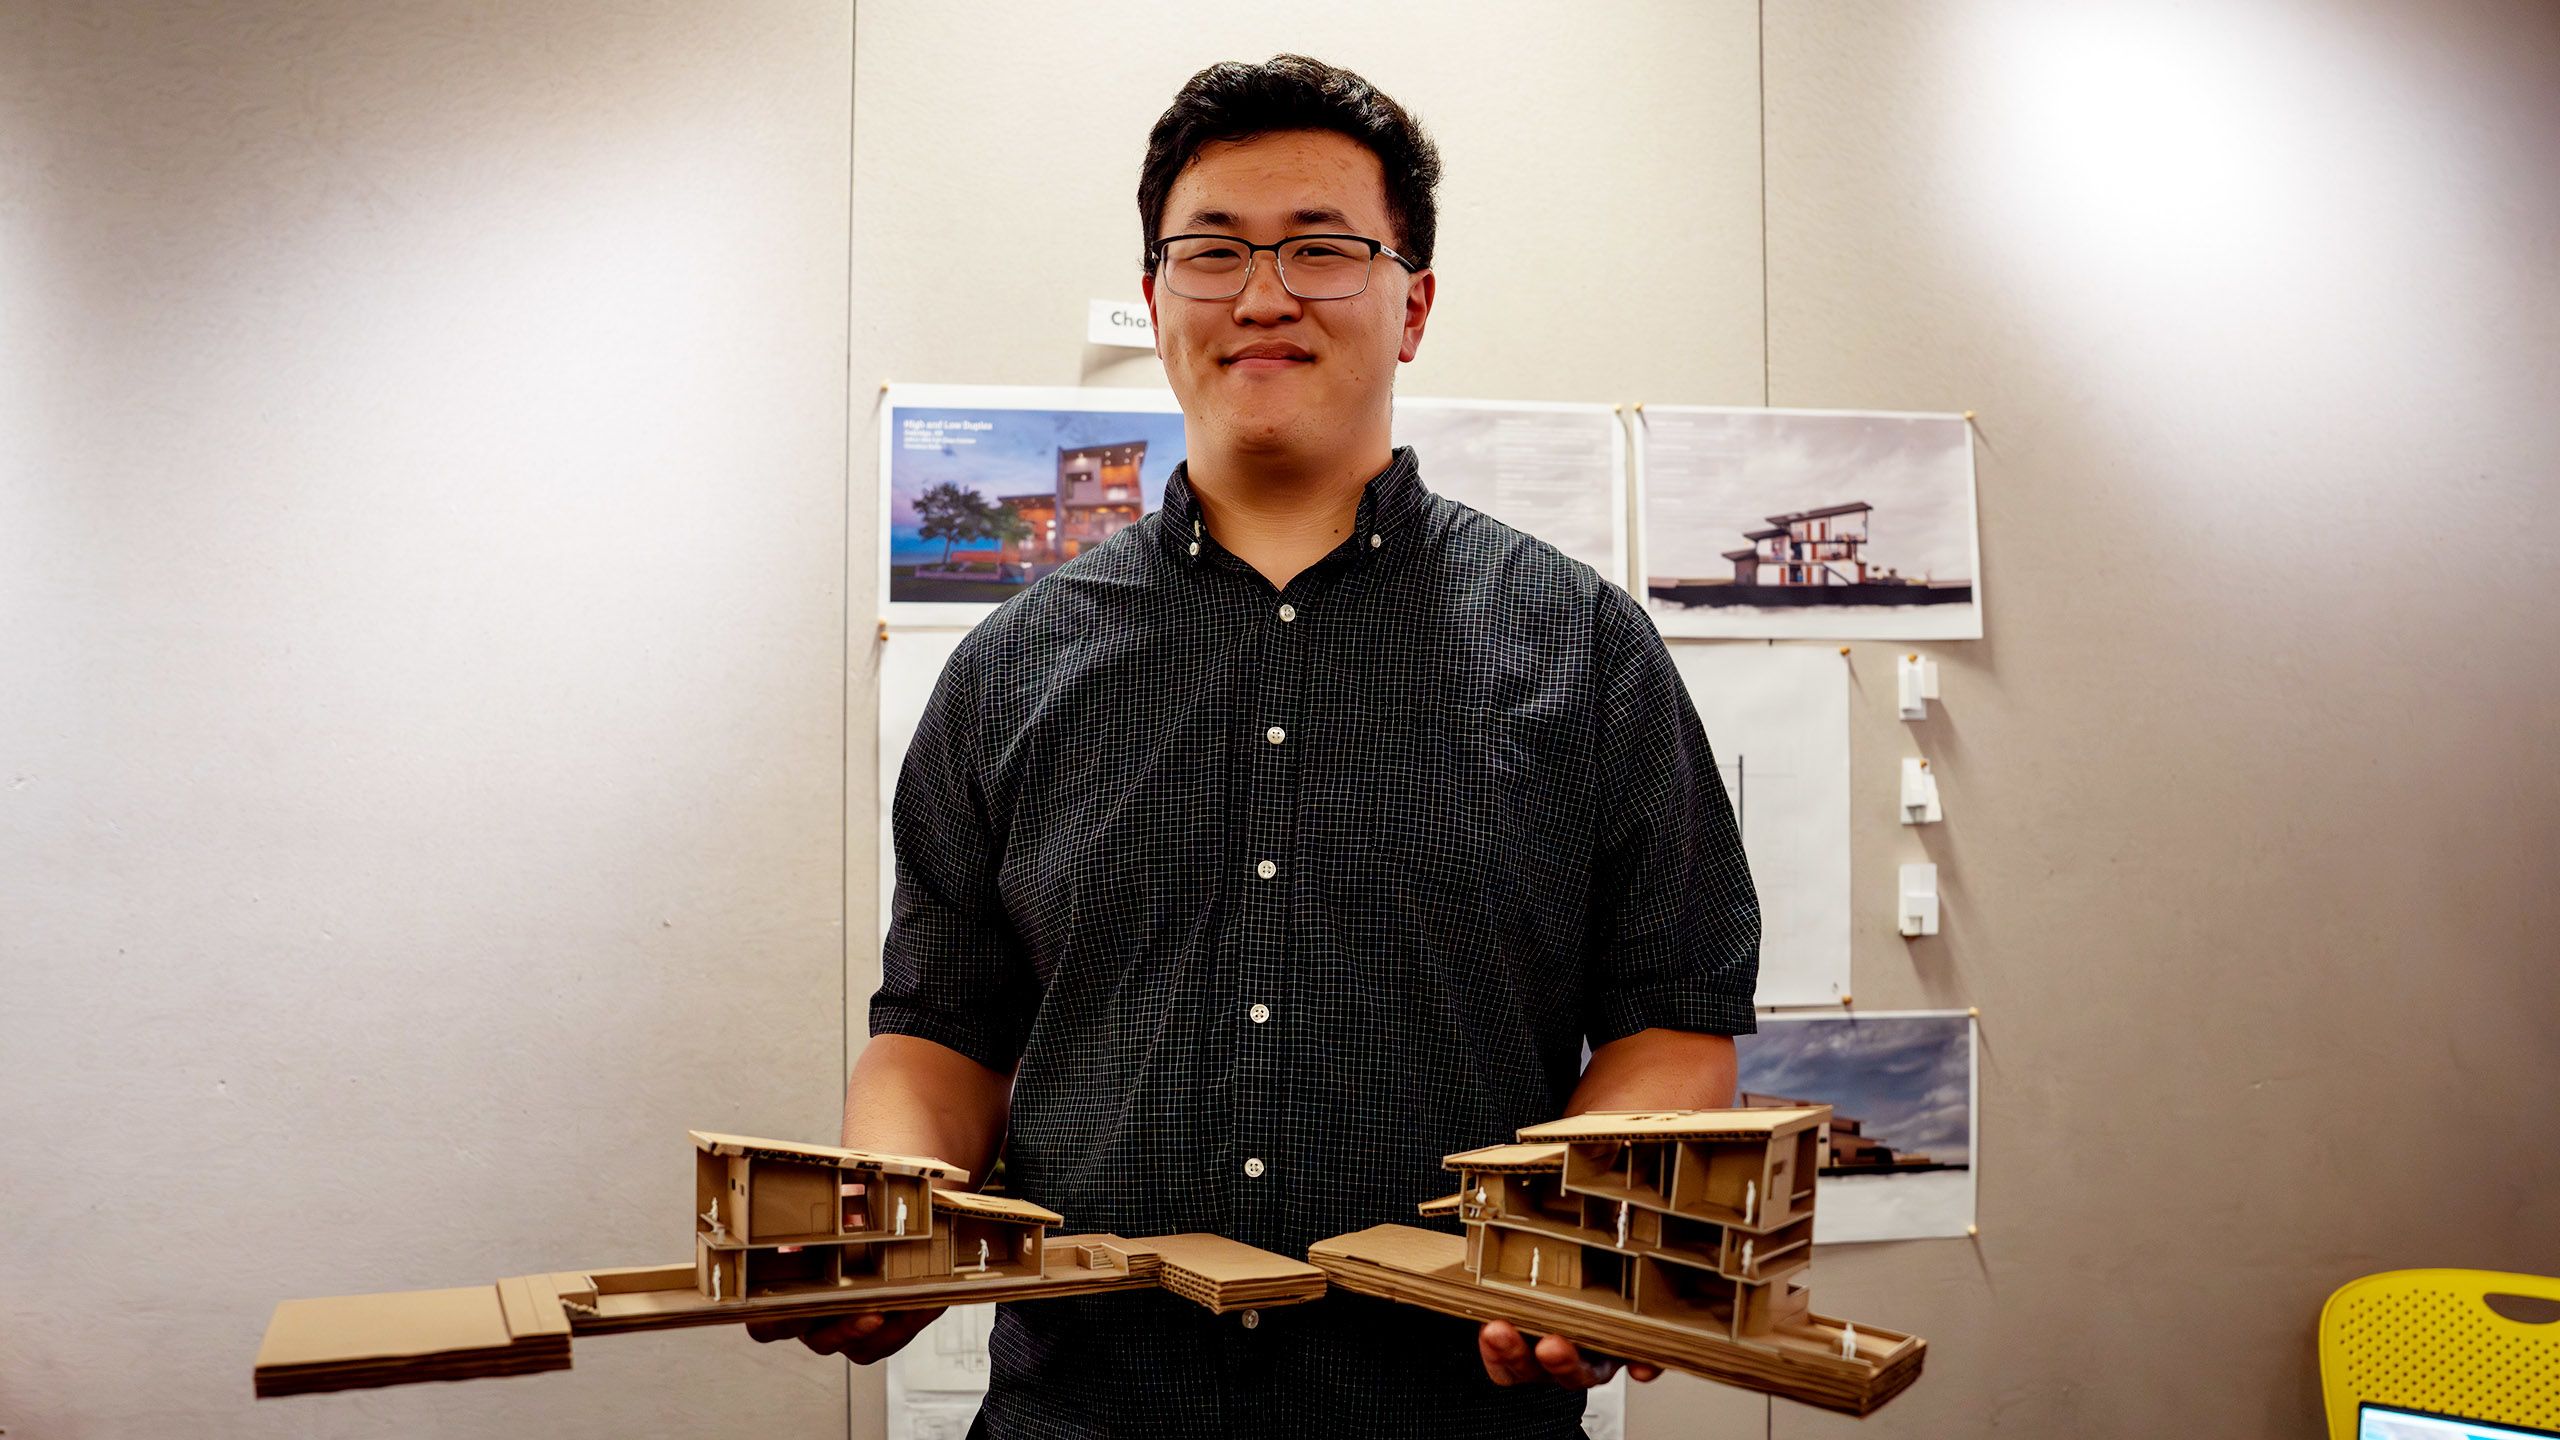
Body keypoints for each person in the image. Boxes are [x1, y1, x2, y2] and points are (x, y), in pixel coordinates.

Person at [753, 54, 1760, 1438]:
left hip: (1453, 1414)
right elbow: (941, 1028)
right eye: (1214, 252)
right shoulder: (1011, 668)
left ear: (1409, 306)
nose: (1265, 295)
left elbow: (1670, 1009)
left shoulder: (1578, 646)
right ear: (1160, 298)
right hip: (1087, 1413)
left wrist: (1593, 1236)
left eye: (1322, 251)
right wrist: (890, 1212)